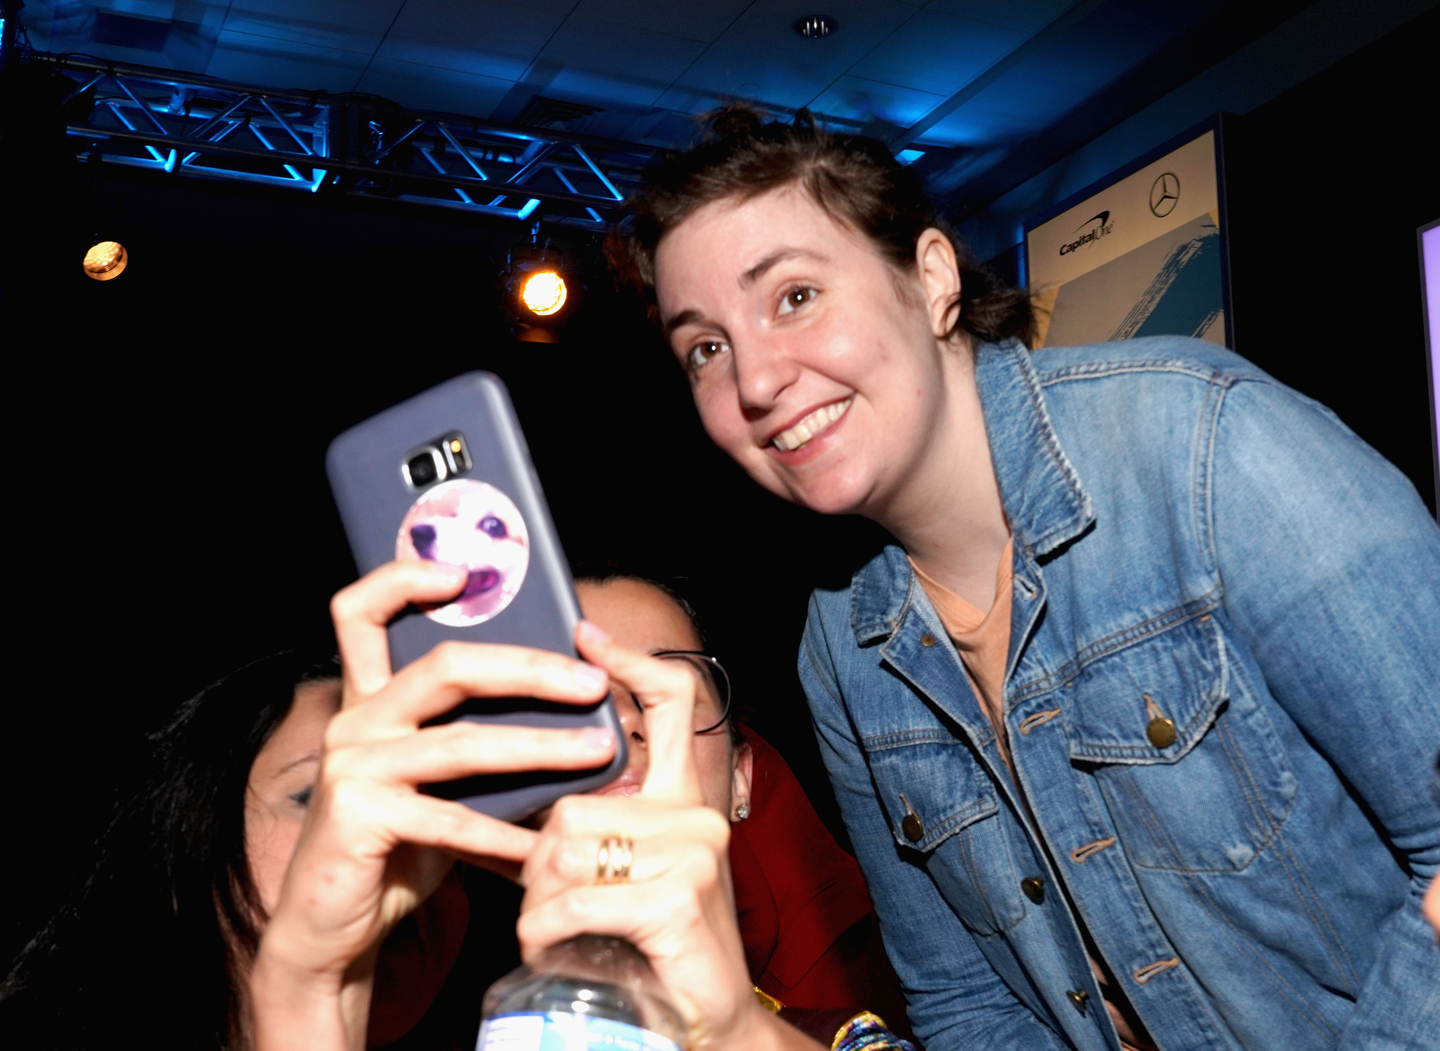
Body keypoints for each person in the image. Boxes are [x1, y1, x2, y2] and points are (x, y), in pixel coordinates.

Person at [609, 107, 1440, 1050]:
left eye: (794, 295)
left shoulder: (1203, 448)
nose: (754, 378)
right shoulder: (841, 644)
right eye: (705, 349)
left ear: (930, 279)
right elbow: (967, 1000)